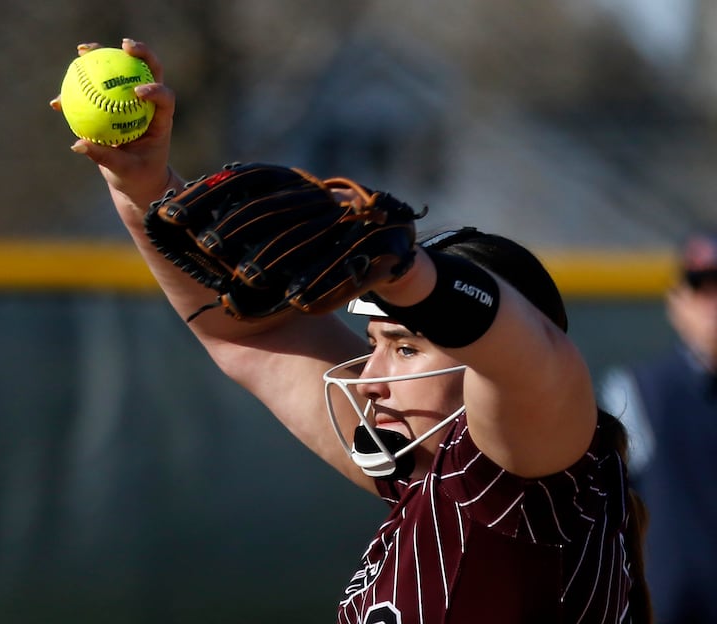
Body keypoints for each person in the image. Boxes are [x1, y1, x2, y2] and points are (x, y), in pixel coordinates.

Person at [52, 39, 652, 623]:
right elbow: (248, 337)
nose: (369, 380)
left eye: (408, 348)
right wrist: (143, 186)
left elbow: (534, 361)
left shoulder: (532, 482)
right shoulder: (433, 481)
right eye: (376, 346)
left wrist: (409, 273)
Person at [600, 232, 717, 624]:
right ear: (676, 301)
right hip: (669, 609)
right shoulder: (637, 390)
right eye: (702, 289)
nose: (713, 306)